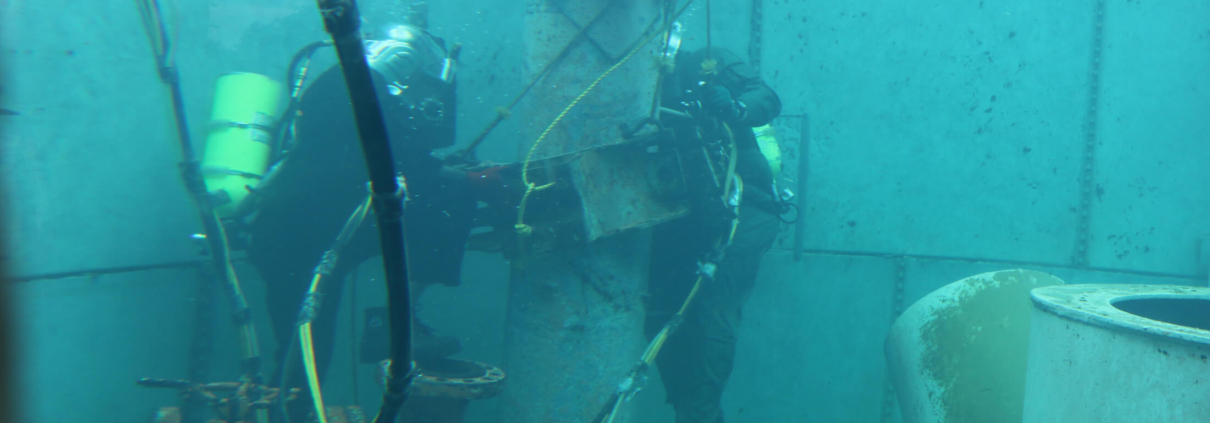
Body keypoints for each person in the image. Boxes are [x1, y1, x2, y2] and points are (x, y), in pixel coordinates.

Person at [244, 24, 505, 421]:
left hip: (295, 235)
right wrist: (467, 179)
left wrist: (447, 171)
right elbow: (398, 159)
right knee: (306, 345)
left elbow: (389, 156)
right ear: (403, 61)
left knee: (306, 345)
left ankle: (293, 407)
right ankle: (398, 322)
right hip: (303, 237)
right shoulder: (362, 87)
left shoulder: (345, 84)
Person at [645, 45, 784, 423]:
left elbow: (764, 95)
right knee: (660, 310)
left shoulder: (701, 61)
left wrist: (734, 108)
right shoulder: (621, 77)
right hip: (676, 216)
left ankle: (698, 414)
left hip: (743, 203)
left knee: (712, 311)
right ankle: (688, 405)